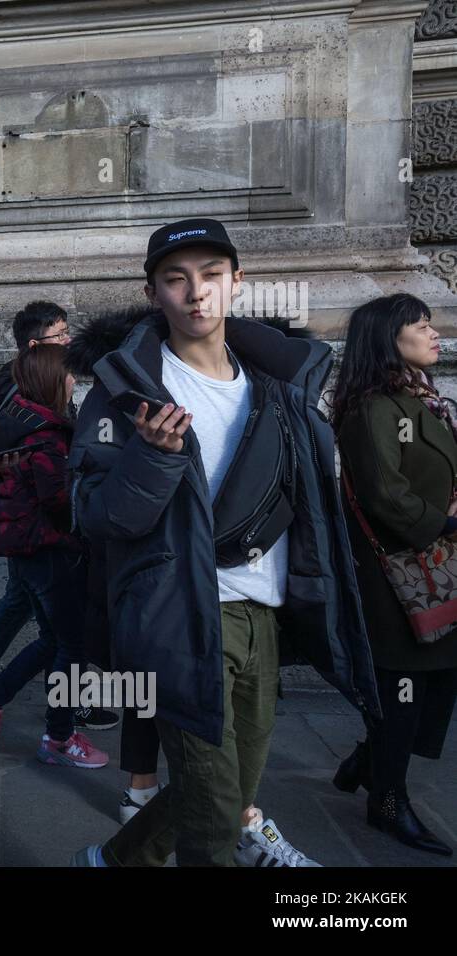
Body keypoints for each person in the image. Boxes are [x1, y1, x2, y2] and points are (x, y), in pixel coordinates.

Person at [68, 218, 378, 867]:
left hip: (261, 614)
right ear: (153, 292)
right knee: (213, 827)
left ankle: (113, 861)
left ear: (236, 282)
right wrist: (151, 458)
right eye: (176, 280)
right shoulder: (125, 393)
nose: (195, 294)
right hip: (179, 617)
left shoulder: (279, 385)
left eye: (211, 275)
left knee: (227, 785)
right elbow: (96, 515)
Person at [330, 293, 457, 857]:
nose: (435, 334)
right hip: (396, 574)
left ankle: (369, 757)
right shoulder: (375, 406)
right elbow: (384, 493)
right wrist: (444, 520)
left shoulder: (421, 399)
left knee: (436, 680)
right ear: (388, 337)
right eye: (421, 325)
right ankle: (386, 798)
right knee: (404, 689)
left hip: (434, 564)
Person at [0, 345, 109, 768]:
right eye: (69, 375)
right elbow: (59, 502)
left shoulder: (24, 425)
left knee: (54, 640)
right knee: (73, 644)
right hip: (50, 552)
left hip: (30, 552)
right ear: (52, 379)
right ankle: (59, 738)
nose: (73, 382)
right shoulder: (47, 437)